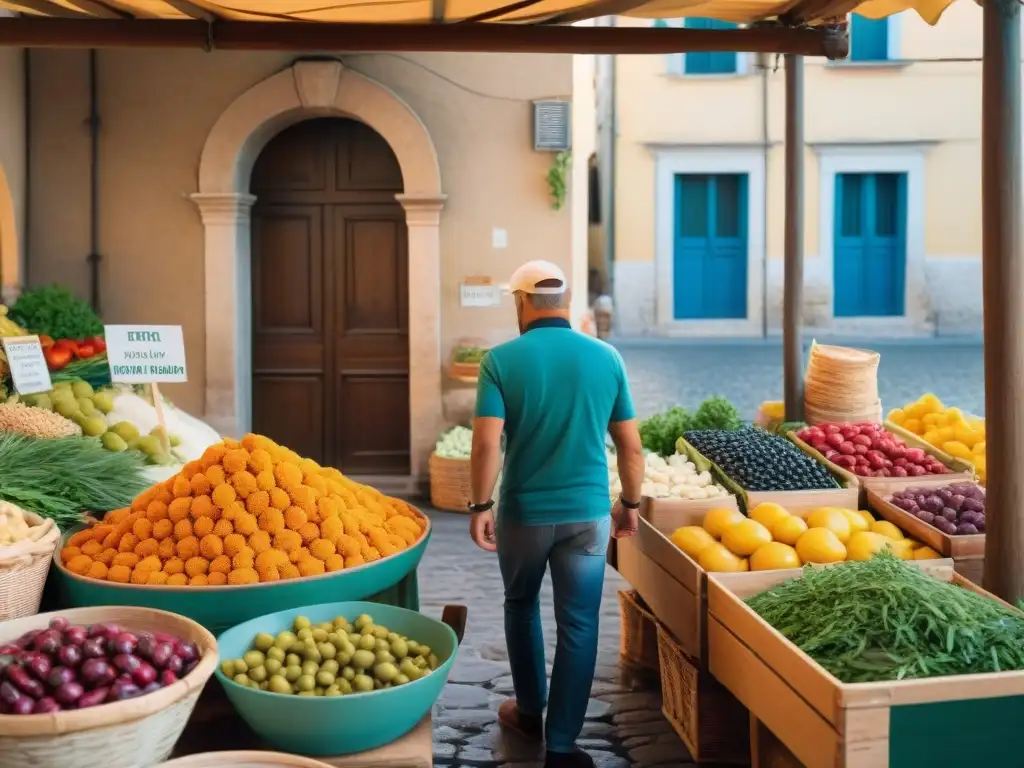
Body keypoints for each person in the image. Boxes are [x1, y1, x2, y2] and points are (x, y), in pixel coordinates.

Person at [467, 259, 645, 768]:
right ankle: (563, 746)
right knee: (581, 625)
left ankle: (527, 711)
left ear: (521, 303)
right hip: (588, 515)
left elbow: (486, 444)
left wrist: (481, 504)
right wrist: (628, 504)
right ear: (566, 304)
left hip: (523, 513)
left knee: (520, 605)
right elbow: (631, 449)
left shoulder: (500, 360)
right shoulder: (606, 357)